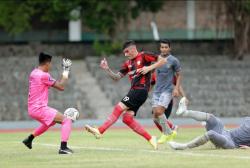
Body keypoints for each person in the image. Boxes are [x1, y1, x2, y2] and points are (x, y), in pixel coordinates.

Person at [84, 40, 166, 150]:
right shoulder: (128, 64)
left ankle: (100, 131)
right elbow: (116, 77)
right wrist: (107, 69)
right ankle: (151, 138)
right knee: (127, 119)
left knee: (118, 108)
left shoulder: (144, 56)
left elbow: (163, 60)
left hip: (139, 90)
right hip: (137, 92)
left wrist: (149, 68)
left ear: (133, 49)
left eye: (127, 51)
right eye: (124, 52)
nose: (125, 54)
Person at [22, 52, 74, 154]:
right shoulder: (44, 75)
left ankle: (29, 139)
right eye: (50, 64)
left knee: (50, 122)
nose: (51, 66)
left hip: (32, 109)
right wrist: (66, 70)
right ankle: (63, 148)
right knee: (66, 120)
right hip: (39, 108)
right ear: (47, 63)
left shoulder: (33, 73)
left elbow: (43, 85)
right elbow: (61, 86)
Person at [139, 39, 182, 144]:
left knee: (159, 112)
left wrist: (176, 88)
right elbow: (153, 77)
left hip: (167, 91)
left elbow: (179, 75)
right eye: (162, 47)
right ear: (160, 48)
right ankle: (171, 130)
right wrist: (146, 90)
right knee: (154, 117)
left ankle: (166, 133)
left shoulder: (174, 60)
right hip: (157, 91)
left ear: (169, 48)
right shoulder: (156, 60)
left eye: (166, 47)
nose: (164, 49)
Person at [168, 97, 250, 150]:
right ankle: (185, 112)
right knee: (212, 118)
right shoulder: (248, 118)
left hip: (231, 143)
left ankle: (184, 146)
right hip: (226, 133)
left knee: (211, 134)